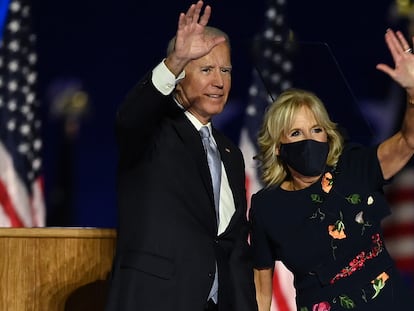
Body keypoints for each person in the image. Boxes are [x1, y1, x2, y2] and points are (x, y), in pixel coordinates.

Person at [104, 1, 257, 311]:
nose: (219, 81)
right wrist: (174, 61)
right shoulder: (153, 132)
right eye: (206, 69)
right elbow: (128, 118)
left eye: (225, 70)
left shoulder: (231, 153)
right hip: (156, 301)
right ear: (180, 77)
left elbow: (235, 249)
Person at [249, 28, 414, 311]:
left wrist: (412, 91)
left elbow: (409, 141)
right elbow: (261, 293)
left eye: (316, 129)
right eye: (296, 133)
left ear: (328, 135)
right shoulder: (267, 207)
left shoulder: (354, 166)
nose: (309, 139)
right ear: (278, 146)